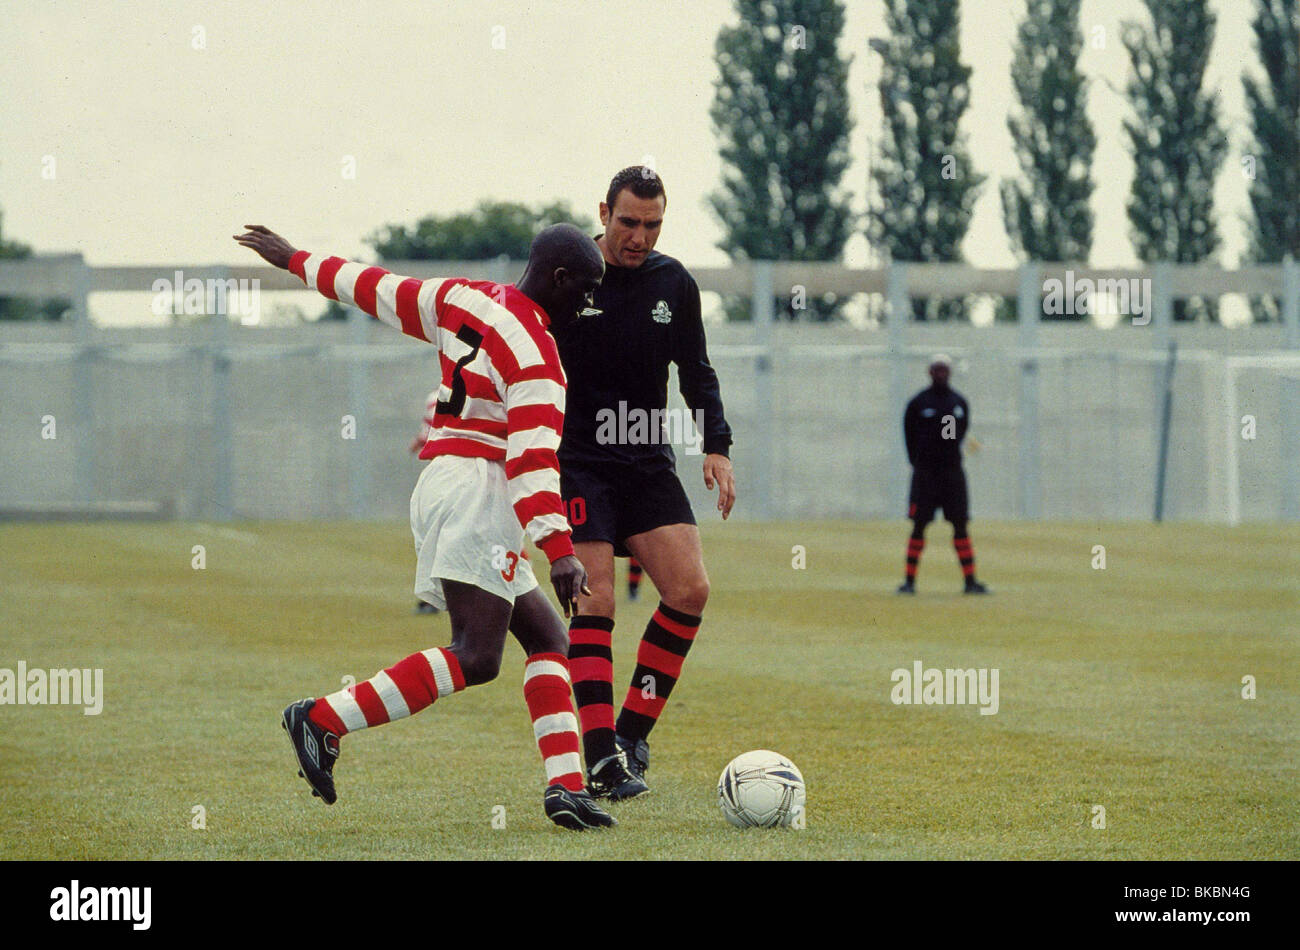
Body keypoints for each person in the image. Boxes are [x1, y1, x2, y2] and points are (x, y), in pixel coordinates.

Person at [233, 222, 616, 830]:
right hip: (480, 493)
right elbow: (531, 461)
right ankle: (322, 719)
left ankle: (567, 788)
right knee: (478, 655)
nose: (590, 303)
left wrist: (294, 260)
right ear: (559, 277)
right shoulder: (539, 356)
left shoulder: (463, 296)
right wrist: (560, 548)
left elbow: (373, 287)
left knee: (548, 638)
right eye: (587, 289)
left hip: (444, 479)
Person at [554, 166, 735, 800]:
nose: (639, 236)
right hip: (577, 459)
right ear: (603, 212)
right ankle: (600, 758)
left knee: (689, 589)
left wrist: (717, 446)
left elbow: (696, 370)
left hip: (645, 457)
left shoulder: (673, 282)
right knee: (595, 600)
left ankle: (631, 734)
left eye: (652, 224)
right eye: (628, 222)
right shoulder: (569, 274)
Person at [897, 355, 988, 595]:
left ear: (950, 372)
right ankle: (909, 582)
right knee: (919, 526)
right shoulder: (918, 403)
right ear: (930, 372)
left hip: (951, 475)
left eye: (944, 370)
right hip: (925, 475)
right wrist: (917, 461)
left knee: (960, 525)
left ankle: (970, 582)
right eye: (936, 370)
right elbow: (908, 434)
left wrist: (948, 453)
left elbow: (959, 432)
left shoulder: (957, 403)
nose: (941, 374)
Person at [409, 388, 442, 615]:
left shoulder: (436, 396)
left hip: (443, 476)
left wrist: (417, 443)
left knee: (436, 537)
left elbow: (428, 434)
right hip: (477, 475)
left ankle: (433, 597)